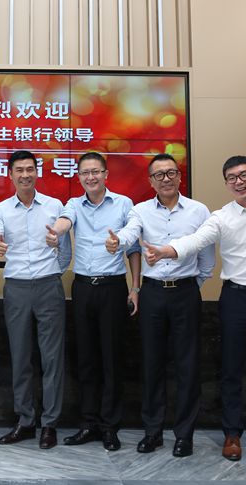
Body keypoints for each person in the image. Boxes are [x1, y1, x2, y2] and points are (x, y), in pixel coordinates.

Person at [142, 155, 246, 461]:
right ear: (226, 183)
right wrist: (166, 251)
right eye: (232, 178)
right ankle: (232, 435)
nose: (239, 182)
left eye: (244, 175)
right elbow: (195, 240)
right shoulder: (220, 217)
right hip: (236, 298)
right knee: (231, 370)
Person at [109, 153, 215, 457]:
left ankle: (184, 435)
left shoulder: (198, 210)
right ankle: (152, 432)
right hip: (153, 294)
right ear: (151, 181)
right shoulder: (140, 210)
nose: (165, 179)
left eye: (171, 173)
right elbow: (131, 233)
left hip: (185, 292)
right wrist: (118, 241)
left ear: (179, 177)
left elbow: (207, 257)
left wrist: (192, 286)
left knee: (187, 365)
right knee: (151, 364)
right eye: (159, 175)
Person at [45, 151, 140, 451]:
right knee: (85, 359)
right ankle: (88, 423)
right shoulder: (74, 204)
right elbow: (64, 221)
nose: (90, 177)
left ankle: (110, 427)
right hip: (84, 287)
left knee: (111, 358)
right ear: (79, 177)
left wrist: (134, 287)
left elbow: (134, 244)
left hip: (113, 287)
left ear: (106, 174)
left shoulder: (123, 203)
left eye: (95, 171)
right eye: (85, 173)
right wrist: (56, 233)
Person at [0, 150, 71, 450]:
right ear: (10, 175)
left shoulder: (54, 206)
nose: (25, 175)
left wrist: (52, 272)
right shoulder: (0, 209)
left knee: (52, 358)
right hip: (17, 288)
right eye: (19, 170)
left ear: (37, 172)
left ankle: (49, 424)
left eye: (30, 169)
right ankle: (25, 421)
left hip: (49, 286)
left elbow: (65, 251)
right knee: (20, 355)